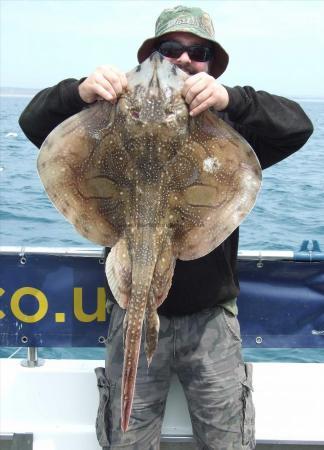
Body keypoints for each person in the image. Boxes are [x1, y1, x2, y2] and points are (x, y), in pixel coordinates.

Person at [19, 5, 313, 450]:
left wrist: (231, 100)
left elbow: (297, 126)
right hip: (129, 303)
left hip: (211, 323)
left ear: (212, 66)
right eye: (170, 48)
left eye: (199, 53)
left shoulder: (226, 129)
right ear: (149, 55)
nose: (180, 60)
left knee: (228, 442)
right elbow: (34, 122)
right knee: (128, 440)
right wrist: (80, 93)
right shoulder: (107, 118)